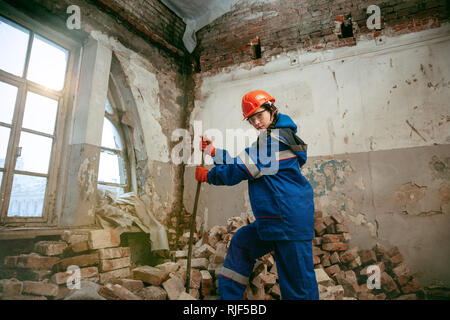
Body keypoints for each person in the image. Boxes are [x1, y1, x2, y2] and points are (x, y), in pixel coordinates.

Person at [195, 90, 319, 300]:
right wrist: (214, 152)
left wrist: (210, 176)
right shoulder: (272, 138)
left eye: (259, 115)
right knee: (243, 241)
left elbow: (241, 169)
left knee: (299, 287)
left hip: (289, 222)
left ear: (271, 109)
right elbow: (244, 162)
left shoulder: (275, 140)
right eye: (251, 119)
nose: (256, 122)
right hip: (274, 221)